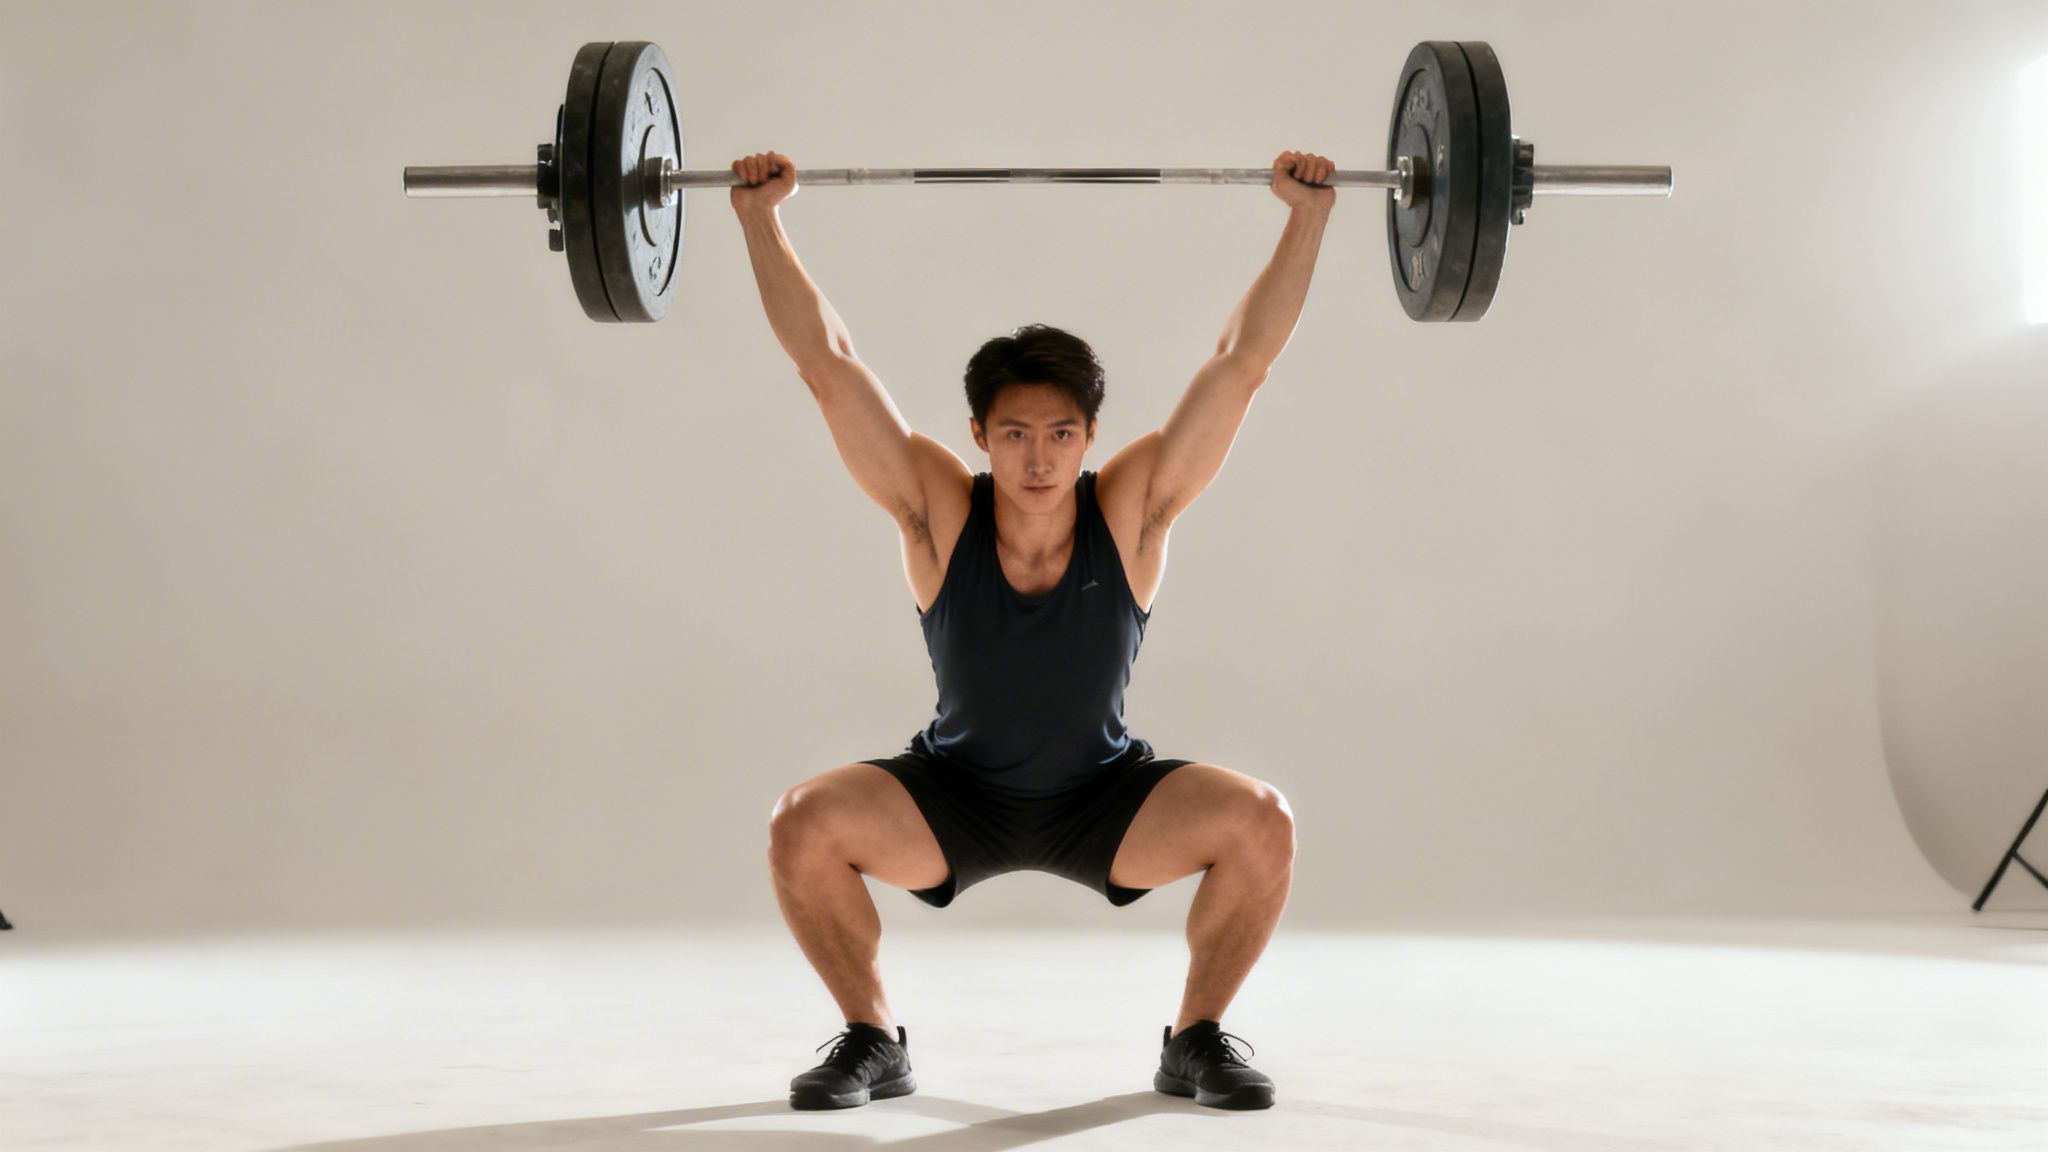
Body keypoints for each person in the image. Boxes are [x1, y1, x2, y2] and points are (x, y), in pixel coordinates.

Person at [731, 148, 1334, 1112]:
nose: (1039, 456)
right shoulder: (937, 511)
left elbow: (1241, 366)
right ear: (979, 435)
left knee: (1262, 821)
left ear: (1090, 436)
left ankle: (1197, 1038)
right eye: (1015, 433)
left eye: (1060, 433)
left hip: (1104, 797)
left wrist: (1306, 219)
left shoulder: (1133, 511)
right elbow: (826, 366)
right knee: (802, 824)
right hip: (952, 795)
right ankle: (872, 1037)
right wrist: (760, 219)